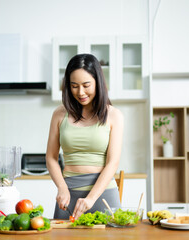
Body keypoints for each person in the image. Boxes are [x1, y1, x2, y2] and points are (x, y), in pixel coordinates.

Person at [46, 53, 124, 220]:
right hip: (68, 195)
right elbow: (51, 157)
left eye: (86, 85)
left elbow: (113, 162)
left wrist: (91, 198)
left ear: (98, 82)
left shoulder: (114, 115)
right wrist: (62, 187)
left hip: (103, 194)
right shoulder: (60, 114)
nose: (80, 92)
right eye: (74, 86)